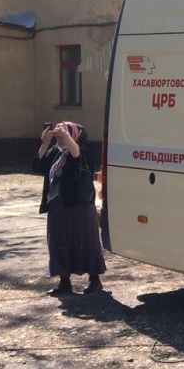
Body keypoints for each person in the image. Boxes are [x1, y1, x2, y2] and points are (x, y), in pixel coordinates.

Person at [33, 122, 106, 296]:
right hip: (58, 204)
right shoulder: (56, 151)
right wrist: (45, 143)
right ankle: (64, 282)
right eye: (58, 132)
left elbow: (77, 156)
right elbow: (38, 166)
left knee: (84, 239)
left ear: (75, 134)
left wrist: (66, 137)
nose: (59, 134)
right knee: (59, 241)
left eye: (65, 131)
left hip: (80, 204)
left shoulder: (86, 147)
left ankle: (95, 280)